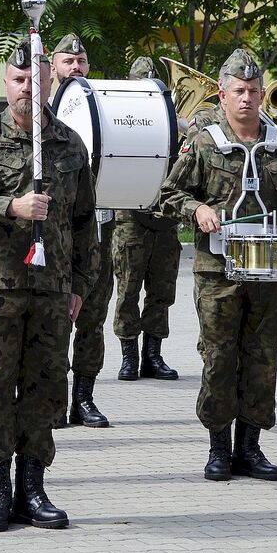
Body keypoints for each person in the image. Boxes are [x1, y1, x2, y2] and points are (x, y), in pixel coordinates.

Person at [0, 38, 97, 532]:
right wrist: (10, 206)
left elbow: (84, 220)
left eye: (37, 78)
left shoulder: (70, 143)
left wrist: (79, 284)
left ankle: (33, 485)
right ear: (5, 84)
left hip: (52, 289)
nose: (28, 87)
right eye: (18, 80)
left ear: (51, 81)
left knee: (46, 387)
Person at [160, 49, 277, 483]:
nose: (248, 99)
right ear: (222, 92)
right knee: (219, 358)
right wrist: (196, 209)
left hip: (268, 272)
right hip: (218, 272)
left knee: (262, 358)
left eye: (254, 91)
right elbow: (169, 195)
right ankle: (218, 447)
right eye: (239, 91)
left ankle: (250, 447)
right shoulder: (202, 141)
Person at [50, 32, 109, 428]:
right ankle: (52, 397)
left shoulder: (101, 109)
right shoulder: (41, 115)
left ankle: (84, 398)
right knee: (50, 321)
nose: (76, 67)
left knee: (92, 317)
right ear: (52, 67)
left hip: (96, 230)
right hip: (53, 238)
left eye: (81, 61)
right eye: (67, 61)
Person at [114, 57, 181, 382]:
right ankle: (129, 357)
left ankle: (153, 356)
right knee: (127, 290)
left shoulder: (174, 124)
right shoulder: (121, 123)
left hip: (166, 220)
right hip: (131, 219)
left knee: (161, 292)